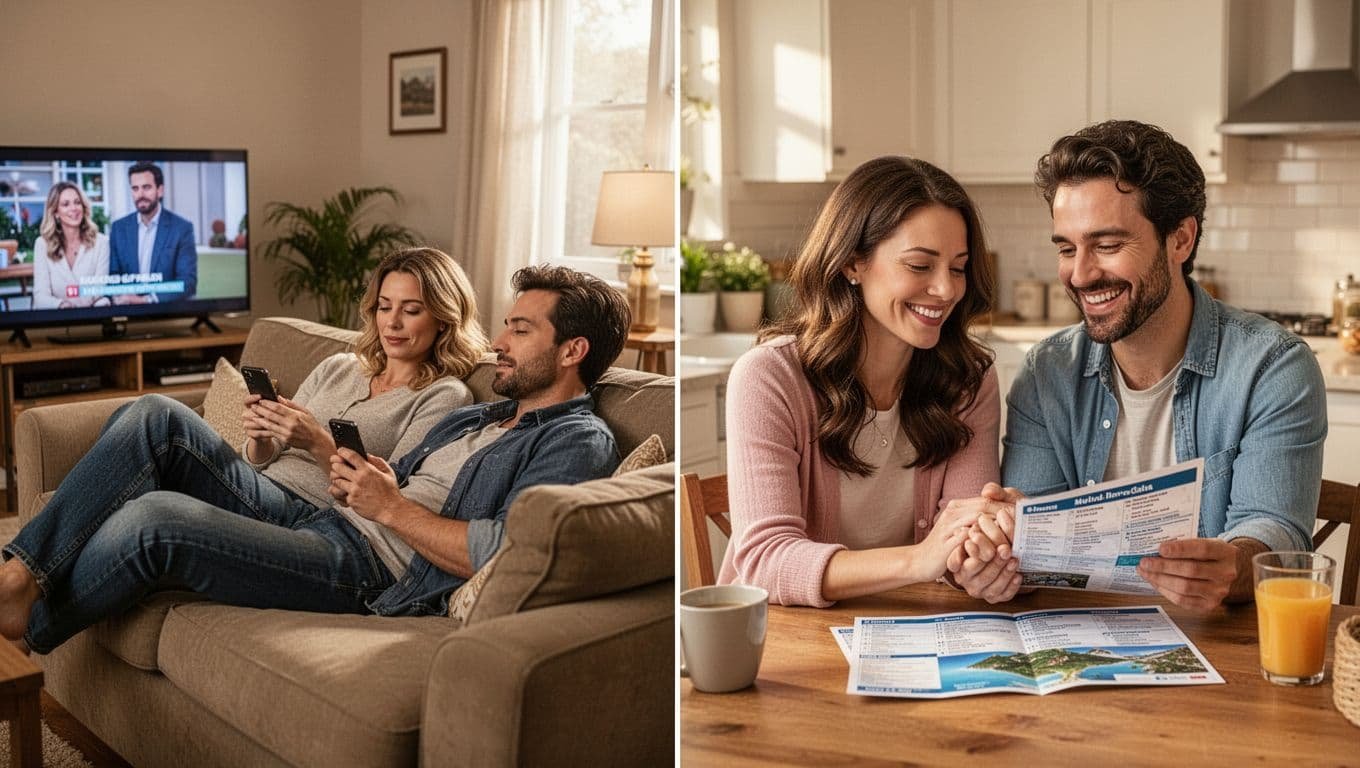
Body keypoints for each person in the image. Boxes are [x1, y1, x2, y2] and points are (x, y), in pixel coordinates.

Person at [0, 263, 626, 652]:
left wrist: (390, 506)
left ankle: (25, 634)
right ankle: (18, 576)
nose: (498, 342)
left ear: (572, 351)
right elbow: (393, 478)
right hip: (332, 521)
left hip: (374, 571)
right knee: (153, 414)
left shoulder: (575, 440)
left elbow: (508, 550)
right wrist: (375, 481)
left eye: (520, 330)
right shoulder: (482, 414)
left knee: (155, 518)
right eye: (506, 326)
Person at [947, 120, 1328, 611]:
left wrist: (1230, 566)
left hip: (1219, 647)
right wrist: (996, 560)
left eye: (1107, 246)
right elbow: (1031, 541)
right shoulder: (1047, 373)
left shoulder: (1273, 367)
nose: (1080, 275)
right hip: (1084, 644)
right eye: (1066, 248)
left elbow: (1274, 533)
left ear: (1180, 241)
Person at [717, 156, 1001, 607]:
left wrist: (985, 564)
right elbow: (766, 562)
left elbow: (961, 541)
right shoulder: (769, 378)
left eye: (958, 267)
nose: (946, 290)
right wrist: (918, 560)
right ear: (853, 263)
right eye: (920, 265)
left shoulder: (968, 381)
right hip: (787, 643)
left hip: (912, 632)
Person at [108, 161, 197, 303]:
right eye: (135, 188)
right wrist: (121, 296)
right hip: (127, 313)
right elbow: (113, 275)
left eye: (146, 187)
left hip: (165, 315)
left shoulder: (181, 228)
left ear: (160, 190)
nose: (140, 194)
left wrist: (148, 300)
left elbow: (188, 282)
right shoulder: (119, 229)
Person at [31, 182, 111, 309]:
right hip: (58, 319)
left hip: (91, 317)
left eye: (77, 202)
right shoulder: (42, 244)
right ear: (56, 212)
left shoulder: (101, 242)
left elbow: (99, 290)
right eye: (65, 204)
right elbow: (40, 296)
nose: (74, 208)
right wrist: (61, 305)